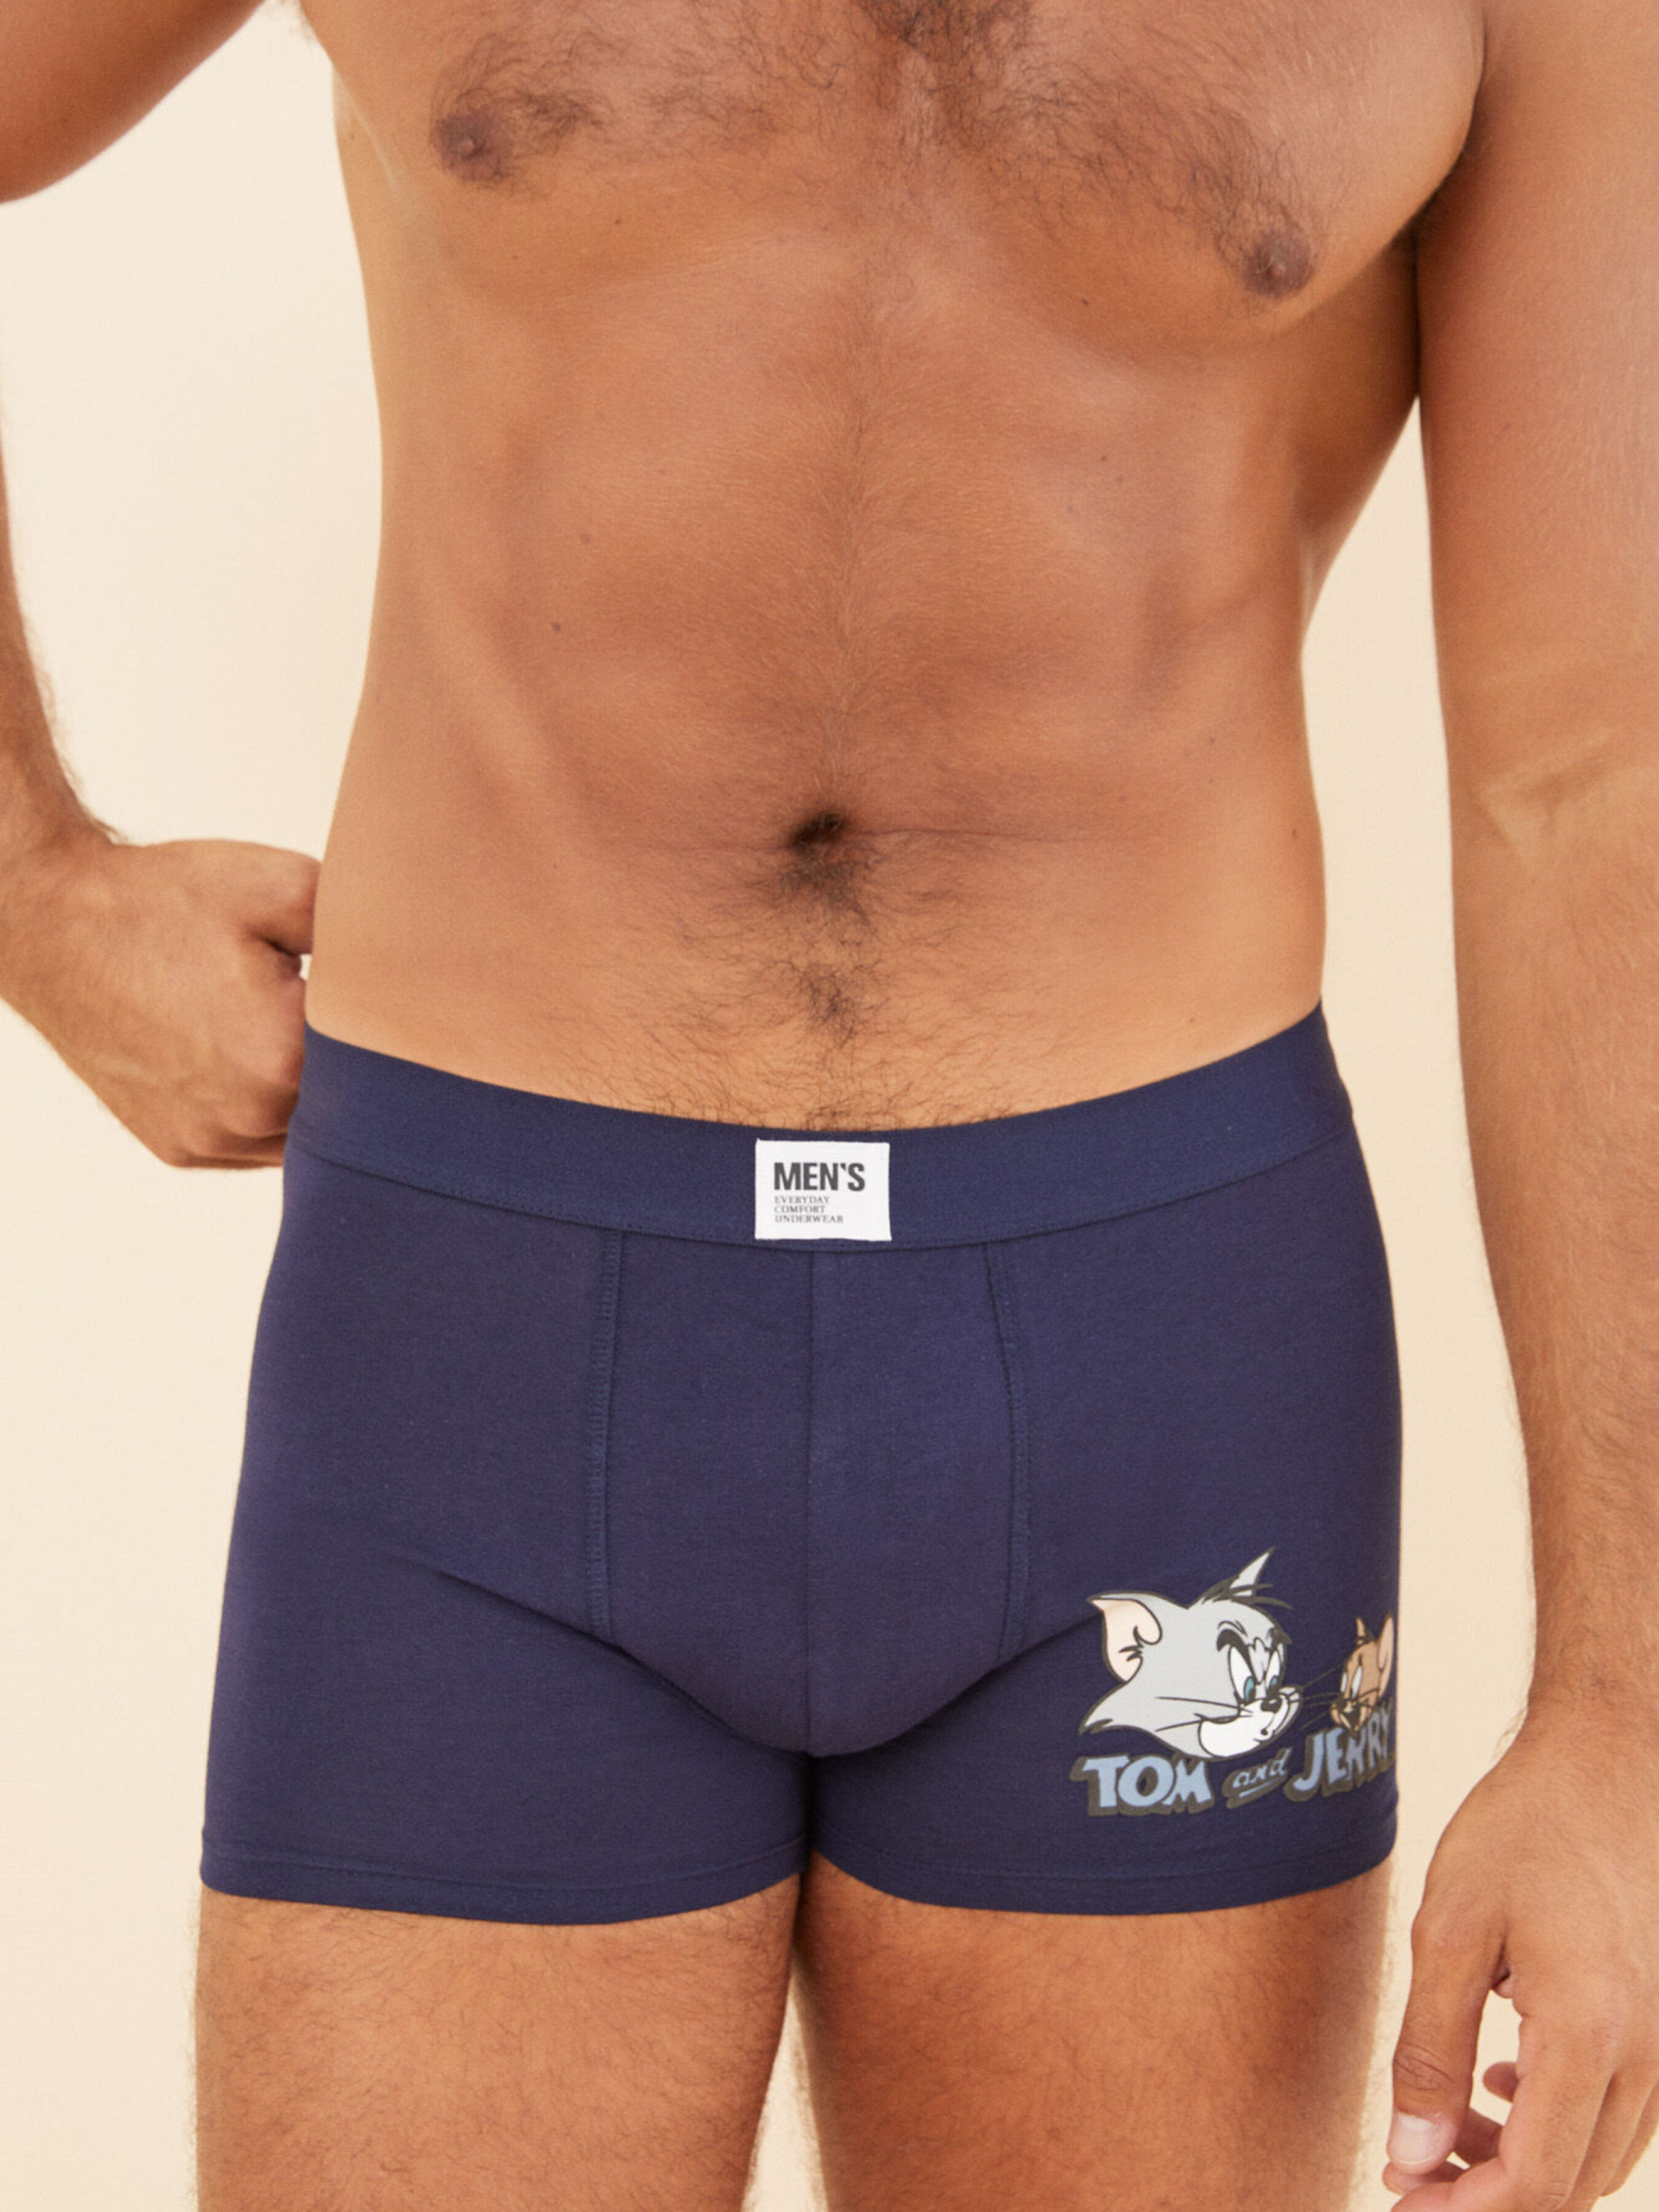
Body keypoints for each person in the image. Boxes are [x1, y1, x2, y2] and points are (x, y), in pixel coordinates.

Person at [2, 0, 1657, 2205]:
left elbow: (1587, 770)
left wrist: (1624, 1710)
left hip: (1155, 1353)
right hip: (482, 1339)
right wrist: (33, 886)